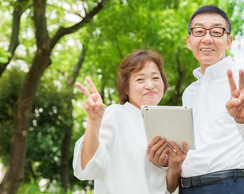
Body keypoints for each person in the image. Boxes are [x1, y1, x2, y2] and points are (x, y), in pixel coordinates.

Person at [148, 5, 244, 193]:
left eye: (216, 32)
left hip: (227, 186)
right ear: (189, 41)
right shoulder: (189, 92)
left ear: (228, 41)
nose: (207, 39)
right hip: (186, 188)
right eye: (199, 31)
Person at [72, 50, 188, 194]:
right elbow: (87, 166)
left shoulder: (170, 122)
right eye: (140, 79)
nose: (150, 85)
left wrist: (175, 166)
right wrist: (94, 120)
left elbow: (169, 189)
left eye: (156, 78)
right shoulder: (115, 114)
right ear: (126, 87)